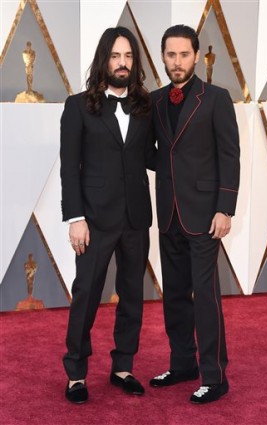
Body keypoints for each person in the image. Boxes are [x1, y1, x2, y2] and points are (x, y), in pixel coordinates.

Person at [60, 26, 156, 404]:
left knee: (133, 294)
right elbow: (70, 167)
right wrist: (75, 218)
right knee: (86, 294)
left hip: (136, 216)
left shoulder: (146, 106)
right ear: (104, 60)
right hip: (95, 219)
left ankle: (123, 366)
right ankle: (76, 373)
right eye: (116, 56)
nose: (122, 63)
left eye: (129, 56)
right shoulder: (78, 105)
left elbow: (150, 156)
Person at [149, 25, 240, 404]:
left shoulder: (216, 98)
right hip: (168, 211)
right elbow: (153, 152)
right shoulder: (153, 101)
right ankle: (183, 362)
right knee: (174, 295)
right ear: (163, 57)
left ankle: (215, 376)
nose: (177, 61)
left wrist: (225, 208)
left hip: (205, 214)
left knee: (205, 295)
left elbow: (230, 155)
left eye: (184, 54)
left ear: (197, 56)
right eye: (170, 55)